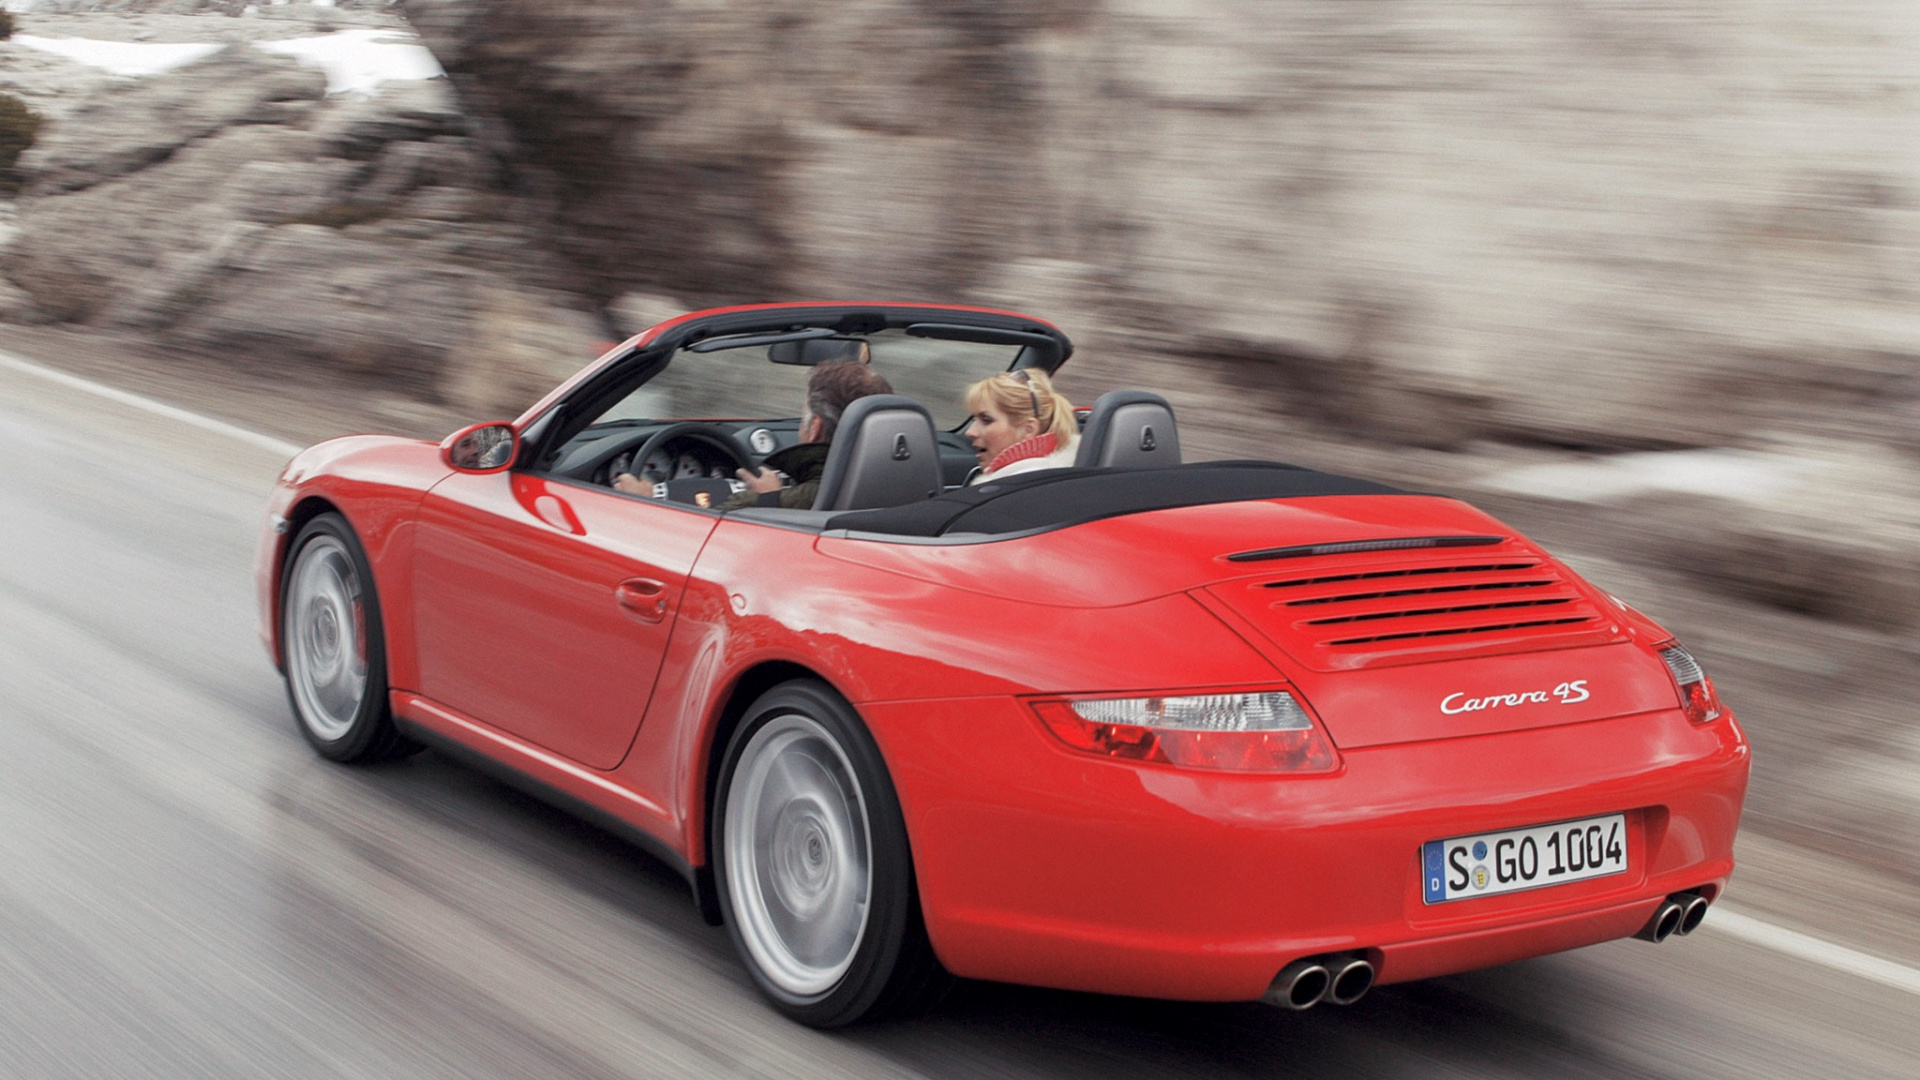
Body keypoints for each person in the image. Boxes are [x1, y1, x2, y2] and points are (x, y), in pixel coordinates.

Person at [614, 360, 893, 511]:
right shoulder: (912, 485)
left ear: (815, 427)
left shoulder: (789, 503)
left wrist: (647, 498)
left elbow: (700, 530)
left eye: (803, 414)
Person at [964, 368, 1076, 484]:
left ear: (1028, 430)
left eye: (987, 420)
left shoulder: (1018, 487)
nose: (970, 432)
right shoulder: (1049, 479)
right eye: (974, 419)